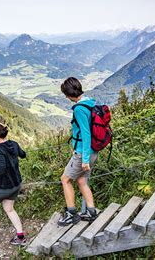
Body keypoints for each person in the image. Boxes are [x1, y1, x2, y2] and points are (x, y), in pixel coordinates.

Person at [58, 77, 99, 226]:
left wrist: (85, 159)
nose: (67, 98)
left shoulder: (80, 109)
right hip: (94, 150)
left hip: (83, 153)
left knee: (65, 179)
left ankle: (71, 214)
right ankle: (91, 211)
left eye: (66, 95)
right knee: (82, 181)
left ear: (69, 95)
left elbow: (86, 133)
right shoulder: (90, 102)